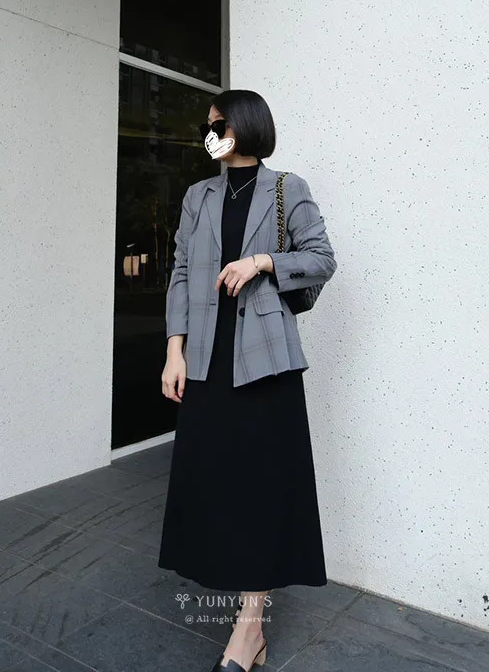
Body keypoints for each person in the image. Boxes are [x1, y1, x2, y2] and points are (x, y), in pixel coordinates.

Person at [158, 89, 337, 672]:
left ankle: (249, 627)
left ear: (245, 127)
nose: (209, 135)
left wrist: (261, 262)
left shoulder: (287, 188)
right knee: (217, 485)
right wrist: (174, 350)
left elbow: (322, 258)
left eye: (217, 125)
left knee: (261, 490)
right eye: (206, 126)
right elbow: (182, 272)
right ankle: (245, 620)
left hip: (265, 362)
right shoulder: (198, 196)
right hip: (206, 362)